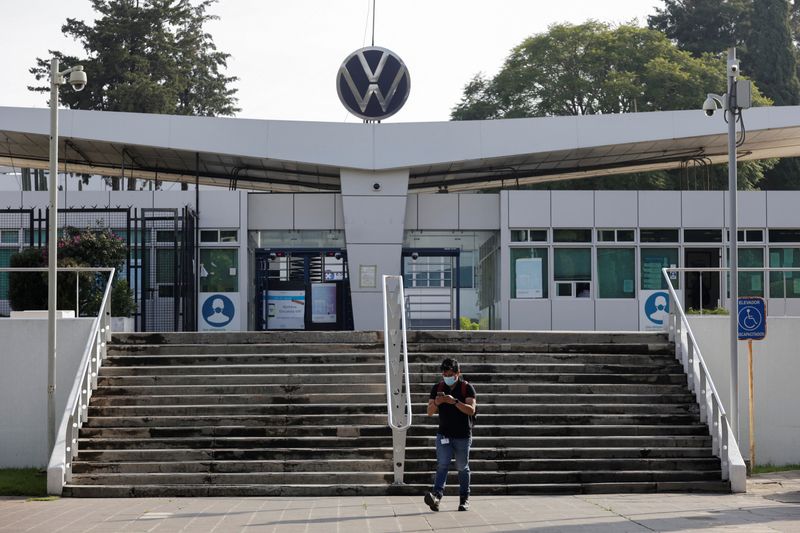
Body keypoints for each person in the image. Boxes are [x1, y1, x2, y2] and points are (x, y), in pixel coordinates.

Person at [424, 358, 477, 512]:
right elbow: (429, 412)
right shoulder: (437, 387)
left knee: (462, 467)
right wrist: (437, 403)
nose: (447, 376)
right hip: (444, 434)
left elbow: (471, 410)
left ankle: (464, 498)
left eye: (450, 373)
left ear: (457, 373)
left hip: (462, 435)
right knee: (442, 464)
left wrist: (454, 402)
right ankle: (436, 496)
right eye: (444, 374)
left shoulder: (466, 388)